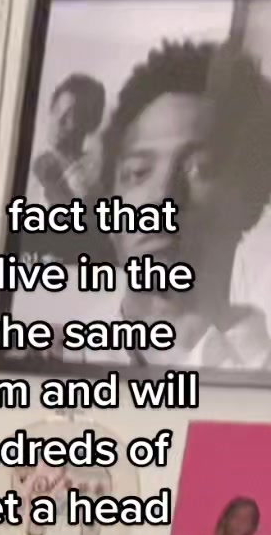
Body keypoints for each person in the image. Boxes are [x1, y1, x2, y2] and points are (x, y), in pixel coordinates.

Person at [96, 39, 271, 372]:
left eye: (199, 169)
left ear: (251, 198)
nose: (163, 198)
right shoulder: (43, 361)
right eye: (138, 172)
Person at [30, 72, 105, 205]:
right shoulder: (36, 164)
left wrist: (53, 177)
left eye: (70, 114)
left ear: (89, 123)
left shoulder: (93, 176)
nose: (59, 120)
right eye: (57, 109)